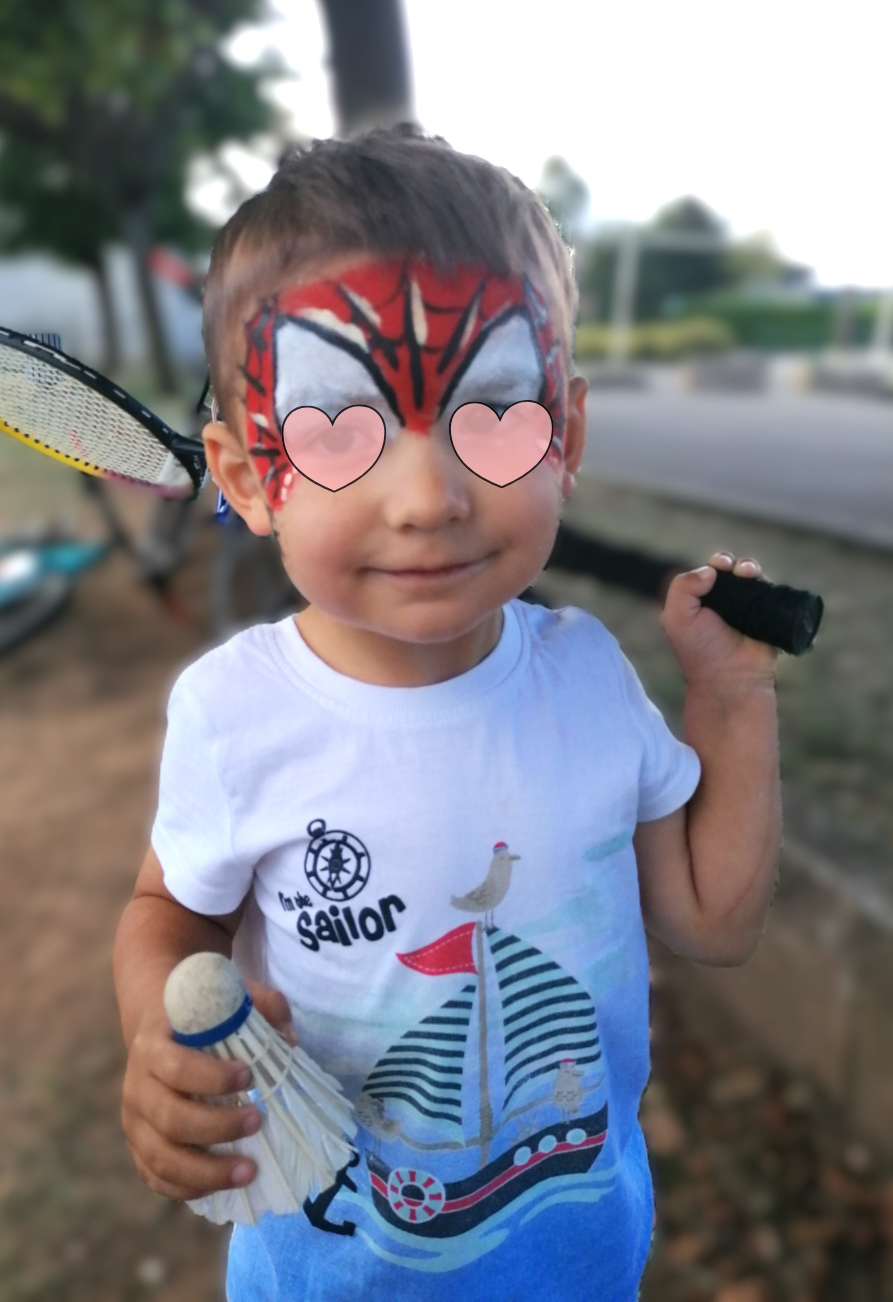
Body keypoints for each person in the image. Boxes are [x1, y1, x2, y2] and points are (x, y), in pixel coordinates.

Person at [114, 127, 781, 1302]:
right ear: (248, 477)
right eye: (336, 429)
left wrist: (729, 697)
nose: (428, 499)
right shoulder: (235, 714)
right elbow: (169, 912)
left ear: (564, 435)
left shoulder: (588, 680)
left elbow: (713, 922)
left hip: (576, 1267)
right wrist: (157, 1037)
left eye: (493, 412)